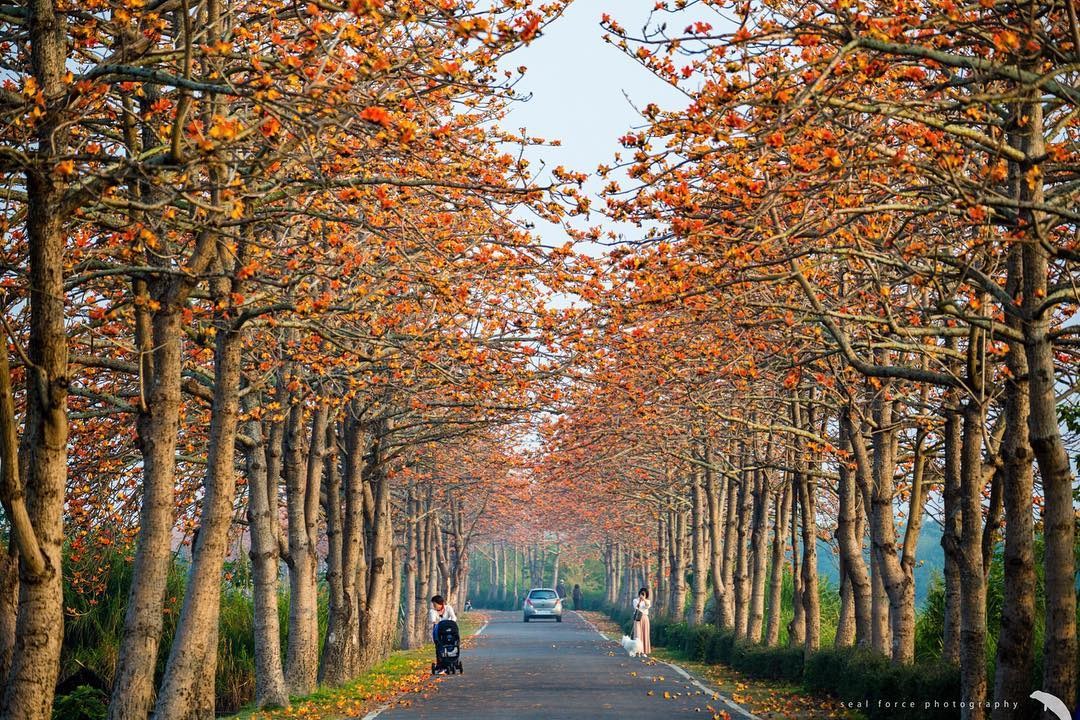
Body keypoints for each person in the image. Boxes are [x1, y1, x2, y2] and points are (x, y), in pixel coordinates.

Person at [429, 595, 457, 673]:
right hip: (438, 630)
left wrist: (450, 623)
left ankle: (451, 661)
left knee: (451, 645)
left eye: (435, 604)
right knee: (439, 647)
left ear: (440, 603)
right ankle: (440, 665)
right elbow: (433, 621)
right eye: (433, 605)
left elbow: (454, 617)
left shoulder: (448, 608)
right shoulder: (432, 611)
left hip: (449, 629)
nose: (434, 606)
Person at [632, 588, 652, 658]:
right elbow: (636, 607)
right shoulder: (635, 600)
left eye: (644, 594)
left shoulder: (648, 601)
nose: (642, 595)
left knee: (645, 634)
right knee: (638, 635)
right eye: (641, 593)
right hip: (637, 618)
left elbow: (647, 606)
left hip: (645, 618)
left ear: (646, 595)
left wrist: (644, 599)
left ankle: (644, 652)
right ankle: (637, 651)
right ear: (639, 593)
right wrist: (640, 601)